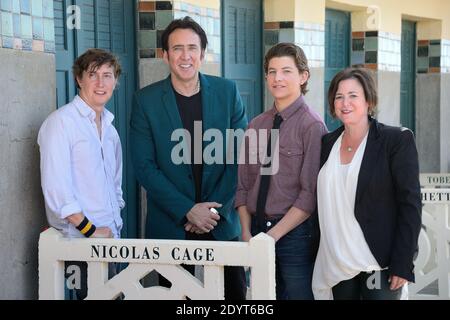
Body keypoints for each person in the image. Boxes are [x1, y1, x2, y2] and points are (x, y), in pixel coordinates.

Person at [130, 16, 248, 300]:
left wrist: (211, 212)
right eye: (178, 48)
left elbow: (241, 156)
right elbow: (145, 167)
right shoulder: (145, 100)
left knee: (235, 300)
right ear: (165, 54)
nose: (186, 56)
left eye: (192, 48)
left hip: (222, 222)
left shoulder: (227, 91)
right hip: (171, 224)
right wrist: (187, 209)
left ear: (203, 54)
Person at [312, 67, 422, 300]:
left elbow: (410, 205)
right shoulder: (326, 143)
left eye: (353, 95)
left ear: (368, 100)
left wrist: (404, 262)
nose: (345, 103)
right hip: (336, 264)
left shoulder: (396, 140)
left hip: (378, 263)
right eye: (339, 96)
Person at [235, 42, 327, 300]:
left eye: (286, 71)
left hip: (294, 236)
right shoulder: (255, 125)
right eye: (272, 72)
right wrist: (246, 232)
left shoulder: (312, 126)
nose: (278, 78)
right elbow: (243, 186)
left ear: (303, 76)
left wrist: (272, 237)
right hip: (255, 230)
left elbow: (309, 195)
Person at [38, 48, 124, 299]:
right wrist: (90, 230)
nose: (101, 83)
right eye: (93, 74)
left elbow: (115, 184)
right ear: (79, 79)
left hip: (112, 239)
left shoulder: (110, 129)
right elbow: (57, 190)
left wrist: (113, 223)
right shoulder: (61, 123)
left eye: (107, 75)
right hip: (81, 241)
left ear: (115, 81)